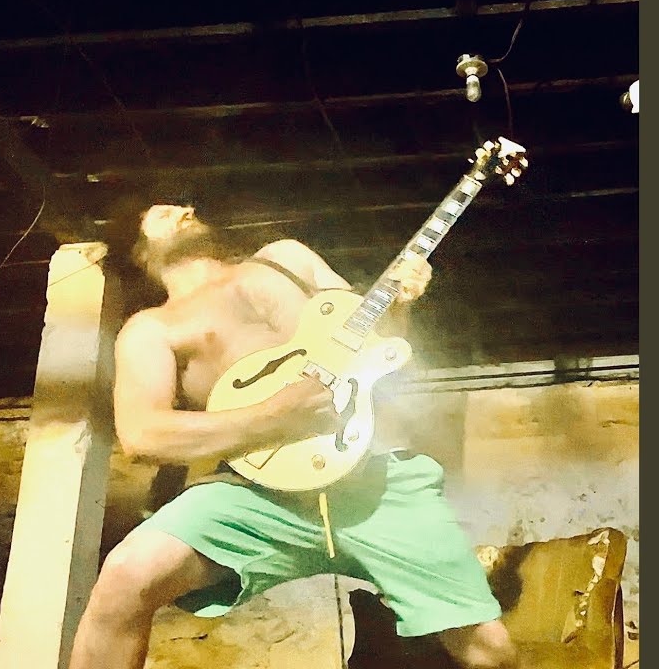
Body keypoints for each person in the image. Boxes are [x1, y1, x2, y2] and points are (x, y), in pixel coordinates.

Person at [68, 203, 518, 669]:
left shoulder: (285, 258)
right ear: (139, 249)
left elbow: (375, 343)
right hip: (255, 495)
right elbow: (144, 435)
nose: (186, 210)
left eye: (185, 204)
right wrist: (276, 415)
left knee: (490, 651)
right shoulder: (150, 328)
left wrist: (399, 302)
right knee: (125, 576)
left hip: (378, 481)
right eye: (163, 212)